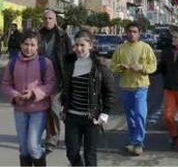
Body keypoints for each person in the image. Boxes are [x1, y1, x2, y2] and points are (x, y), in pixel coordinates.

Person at [61, 30, 116, 166]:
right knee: (72, 152)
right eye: (76, 45)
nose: (78, 49)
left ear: (90, 45)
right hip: (72, 116)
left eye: (82, 45)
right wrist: (64, 107)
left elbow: (110, 92)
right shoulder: (69, 63)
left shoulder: (100, 65)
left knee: (90, 154)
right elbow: (66, 88)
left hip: (92, 118)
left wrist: (105, 113)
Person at [2, 30, 56, 167]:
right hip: (19, 110)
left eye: (32, 45)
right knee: (24, 149)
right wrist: (15, 96)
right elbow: (6, 84)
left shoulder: (45, 63)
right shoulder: (13, 63)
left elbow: (51, 84)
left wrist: (33, 94)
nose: (29, 48)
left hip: (38, 109)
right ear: (21, 45)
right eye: (26, 44)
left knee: (33, 146)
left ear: (38, 46)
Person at [110, 22, 157, 156]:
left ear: (139, 33)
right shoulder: (120, 48)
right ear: (126, 32)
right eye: (130, 31)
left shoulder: (146, 48)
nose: (132, 34)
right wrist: (121, 67)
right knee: (130, 117)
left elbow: (153, 66)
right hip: (125, 87)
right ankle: (132, 140)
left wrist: (141, 68)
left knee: (140, 115)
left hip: (140, 87)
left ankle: (138, 143)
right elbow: (113, 66)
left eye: (135, 31)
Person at [39, 10, 73, 153]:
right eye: (45, 18)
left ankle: (53, 139)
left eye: (50, 18)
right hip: (40, 78)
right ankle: (50, 137)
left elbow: (69, 56)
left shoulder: (62, 36)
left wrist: (69, 76)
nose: (48, 20)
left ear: (55, 20)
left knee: (54, 109)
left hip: (58, 78)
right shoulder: (38, 34)